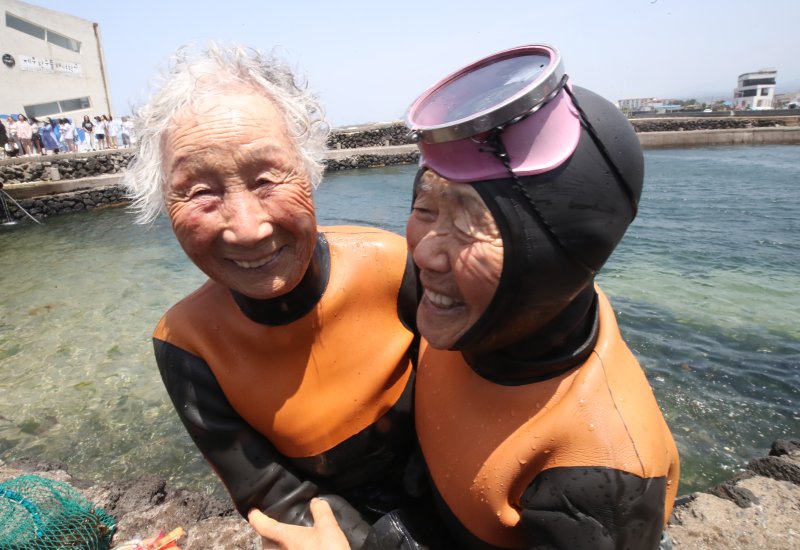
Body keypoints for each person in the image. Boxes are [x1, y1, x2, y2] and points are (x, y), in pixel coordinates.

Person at [122, 43, 421, 550]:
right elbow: (269, 492)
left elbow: (481, 395)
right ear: (161, 203)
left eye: (266, 179)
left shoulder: (394, 265)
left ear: (309, 168)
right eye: (199, 193)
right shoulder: (187, 343)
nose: (248, 229)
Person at [402, 45, 680, 549]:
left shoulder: (601, 473)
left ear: (557, 257)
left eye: (468, 224)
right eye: (424, 207)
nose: (425, 254)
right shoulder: (462, 302)